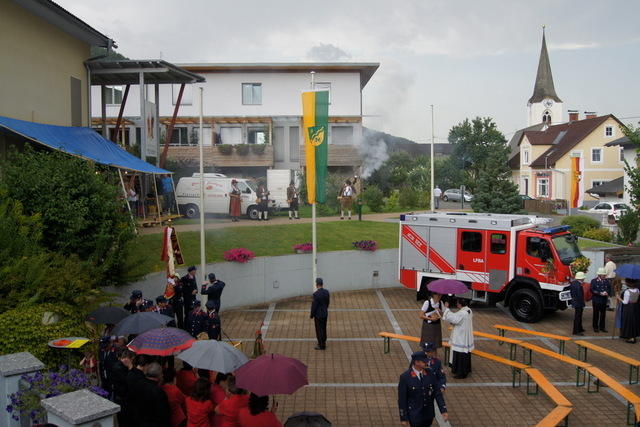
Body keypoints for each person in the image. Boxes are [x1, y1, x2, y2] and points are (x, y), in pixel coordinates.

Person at [398, 350, 448, 426]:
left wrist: (443, 410)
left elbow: (437, 393)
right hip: (414, 415)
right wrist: (403, 418)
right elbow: (402, 400)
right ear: (416, 362)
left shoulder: (430, 373)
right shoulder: (405, 377)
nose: (426, 363)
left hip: (428, 415)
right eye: (424, 362)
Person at [442, 298, 474, 379]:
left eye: (457, 303)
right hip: (465, 336)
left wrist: (446, 309)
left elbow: (453, 318)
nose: (456, 304)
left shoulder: (462, 313)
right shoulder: (468, 310)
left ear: (460, 304)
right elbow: (457, 319)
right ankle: (466, 369)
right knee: (465, 354)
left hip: (461, 337)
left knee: (460, 355)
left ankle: (461, 373)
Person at [133, 362, 171, 427]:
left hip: (139, 422)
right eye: (162, 373)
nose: (163, 375)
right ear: (158, 375)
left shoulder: (138, 384)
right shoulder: (158, 392)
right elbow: (164, 414)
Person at [111, 348, 134, 426]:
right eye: (131, 359)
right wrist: (130, 368)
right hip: (123, 400)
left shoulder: (120, 366)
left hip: (123, 399)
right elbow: (128, 381)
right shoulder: (119, 368)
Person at [310, 277, 330, 350]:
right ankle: (323, 341)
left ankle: (321, 345)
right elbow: (327, 302)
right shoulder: (326, 292)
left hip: (318, 315)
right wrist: (325, 309)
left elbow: (314, 306)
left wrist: (312, 315)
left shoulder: (316, 294)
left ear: (317, 284)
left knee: (319, 330)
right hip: (324, 313)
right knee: (324, 328)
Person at [590, 268, 612, 333]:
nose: (604, 276)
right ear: (599, 274)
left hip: (604, 300)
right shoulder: (594, 281)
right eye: (603, 275)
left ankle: (602, 327)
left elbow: (609, 288)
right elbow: (592, 290)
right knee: (596, 314)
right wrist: (599, 293)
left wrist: (607, 292)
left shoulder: (607, 281)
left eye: (605, 275)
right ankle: (595, 327)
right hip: (596, 300)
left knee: (603, 314)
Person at [618, 279, 639, 343]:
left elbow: (625, 302)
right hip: (635, 307)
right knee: (634, 321)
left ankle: (630, 337)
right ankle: (633, 336)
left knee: (628, 322)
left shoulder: (627, 291)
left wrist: (619, 298)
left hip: (628, 308)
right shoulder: (637, 290)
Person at [568, 272, 586, 336]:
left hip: (575, 302)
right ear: (581, 278)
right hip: (578, 303)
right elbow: (579, 296)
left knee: (578, 316)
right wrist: (583, 303)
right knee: (578, 317)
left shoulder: (574, 283)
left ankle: (580, 328)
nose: (584, 279)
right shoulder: (578, 285)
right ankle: (576, 331)